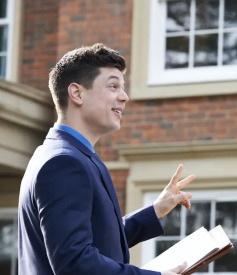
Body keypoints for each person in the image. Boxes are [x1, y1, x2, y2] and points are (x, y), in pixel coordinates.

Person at [18, 43, 194, 275]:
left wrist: (155, 210)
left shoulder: (66, 156)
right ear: (77, 93)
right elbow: (75, 262)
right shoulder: (63, 163)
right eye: (113, 86)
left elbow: (98, 239)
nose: (124, 97)